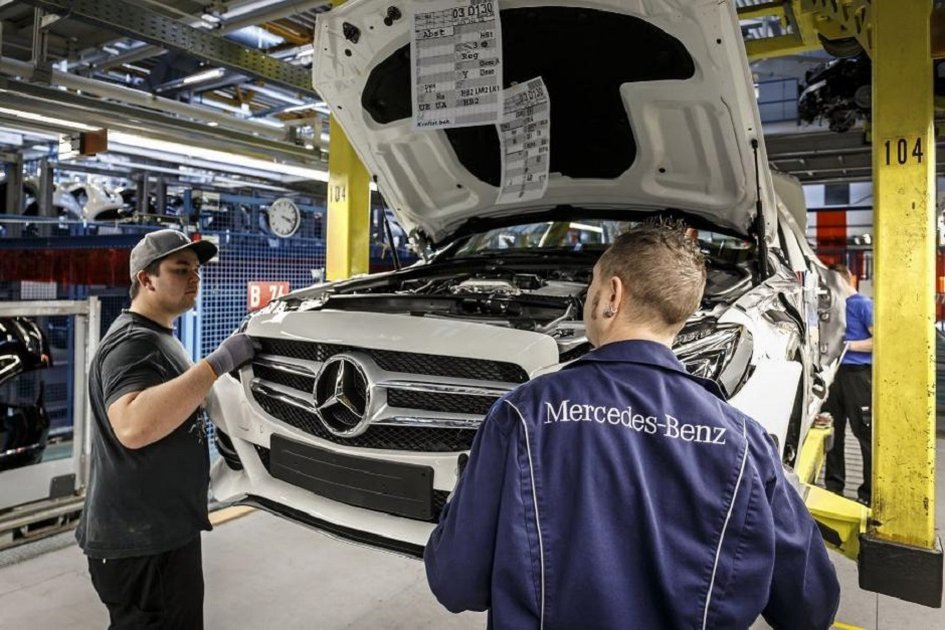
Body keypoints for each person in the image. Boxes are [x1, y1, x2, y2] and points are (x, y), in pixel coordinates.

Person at [424, 223, 840, 629]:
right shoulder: (744, 442)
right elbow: (810, 609)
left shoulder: (522, 414)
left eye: (591, 284)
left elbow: (455, 583)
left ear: (612, 295)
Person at [76, 229, 256, 629]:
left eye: (196, 269)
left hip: (159, 532)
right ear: (146, 278)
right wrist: (216, 364)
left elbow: (173, 406)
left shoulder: (159, 337)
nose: (194, 277)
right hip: (141, 543)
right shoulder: (133, 343)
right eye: (180, 269)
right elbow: (132, 425)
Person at [822, 263, 873, 505]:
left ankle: (868, 494)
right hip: (834, 374)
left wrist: (846, 346)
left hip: (858, 376)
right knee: (833, 430)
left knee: (864, 432)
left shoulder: (863, 304)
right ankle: (834, 487)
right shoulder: (833, 305)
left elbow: (879, 340)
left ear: (846, 279)